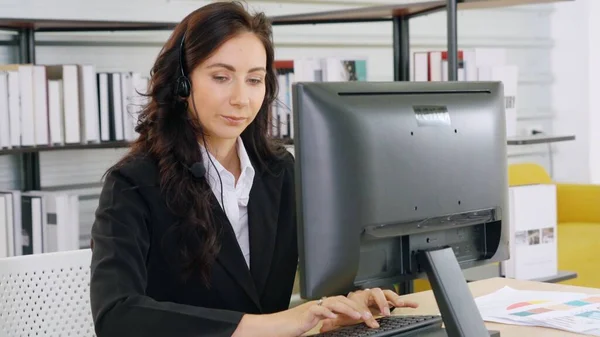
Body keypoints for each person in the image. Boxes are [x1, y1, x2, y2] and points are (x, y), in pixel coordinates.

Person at [89, 2, 418, 336]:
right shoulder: (132, 183)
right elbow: (116, 315)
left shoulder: (278, 171)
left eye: (254, 80)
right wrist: (276, 323)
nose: (241, 98)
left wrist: (347, 301)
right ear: (182, 83)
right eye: (221, 77)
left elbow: (327, 271)